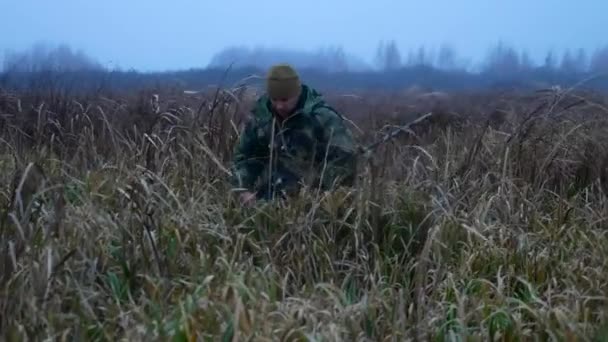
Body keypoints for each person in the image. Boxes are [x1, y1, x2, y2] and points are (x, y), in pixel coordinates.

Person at [230, 64, 358, 206]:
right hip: (270, 198)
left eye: (284, 100)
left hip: (315, 202)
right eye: (274, 99)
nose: (279, 106)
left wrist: (322, 194)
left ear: (297, 94)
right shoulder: (262, 117)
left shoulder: (322, 118)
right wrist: (244, 189)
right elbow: (246, 157)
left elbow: (346, 158)